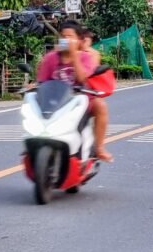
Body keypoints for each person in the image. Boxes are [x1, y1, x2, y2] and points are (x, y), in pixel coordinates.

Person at [35, 21, 113, 163]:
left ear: (79, 40)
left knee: (101, 105)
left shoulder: (85, 57)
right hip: (55, 102)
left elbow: (82, 78)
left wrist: (74, 55)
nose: (66, 40)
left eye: (70, 37)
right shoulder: (51, 58)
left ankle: (100, 148)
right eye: (63, 37)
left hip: (79, 101)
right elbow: (41, 81)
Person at [81, 29, 113, 163]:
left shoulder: (91, 54)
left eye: (86, 40)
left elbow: (88, 72)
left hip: (84, 94)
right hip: (62, 95)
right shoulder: (58, 54)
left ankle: (99, 147)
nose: (83, 42)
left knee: (100, 105)